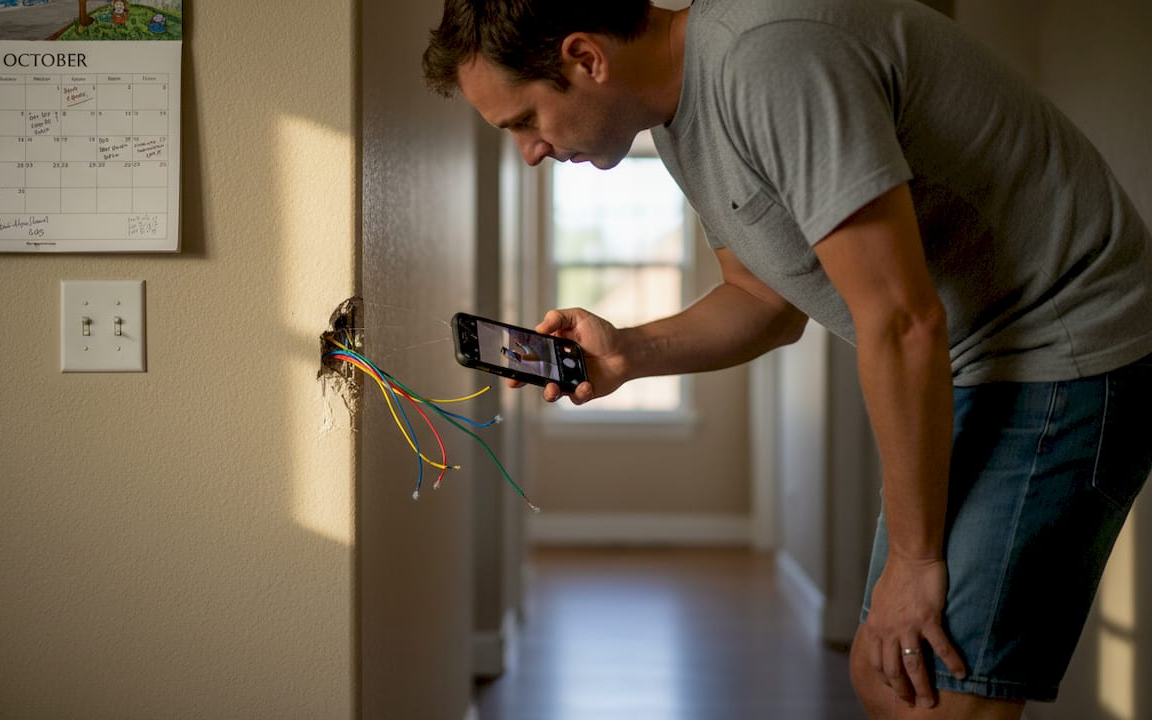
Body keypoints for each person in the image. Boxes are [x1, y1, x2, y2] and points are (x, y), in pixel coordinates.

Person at [423, 1, 1152, 718]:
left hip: (1067, 344)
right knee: (883, 674)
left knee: (935, 695)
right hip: (977, 355)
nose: (529, 151)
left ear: (586, 58)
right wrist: (626, 354)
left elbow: (901, 321)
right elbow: (766, 305)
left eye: (523, 120)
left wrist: (915, 560)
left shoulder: (769, 59)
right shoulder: (679, 120)